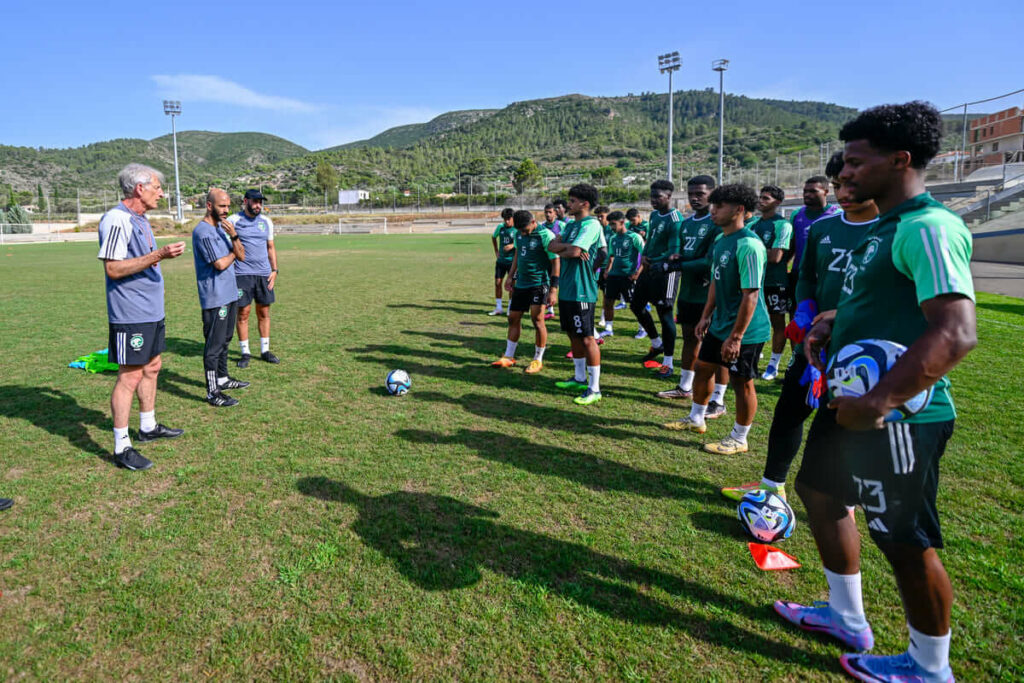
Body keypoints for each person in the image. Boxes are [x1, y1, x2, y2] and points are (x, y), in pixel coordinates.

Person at [775, 102, 976, 683]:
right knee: (817, 492)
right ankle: (845, 616)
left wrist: (879, 401)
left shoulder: (928, 227)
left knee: (904, 541)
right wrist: (835, 318)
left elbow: (956, 331)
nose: (845, 176)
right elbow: (892, 301)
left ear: (900, 160)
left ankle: (930, 667)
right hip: (852, 406)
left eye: (856, 165)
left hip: (896, 419)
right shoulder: (885, 227)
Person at [721, 152, 878, 502]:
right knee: (789, 411)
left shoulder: (897, 229)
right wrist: (806, 310)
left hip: (861, 350)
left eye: (851, 183)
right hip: (813, 342)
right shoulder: (823, 229)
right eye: (838, 185)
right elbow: (805, 276)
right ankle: (771, 485)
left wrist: (845, 316)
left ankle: (843, 501)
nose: (843, 192)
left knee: (838, 425)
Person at [663, 184, 770, 455]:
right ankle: (696, 418)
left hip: (746, 330)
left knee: (741, 382)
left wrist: (736, 336)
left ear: (739, 210)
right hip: (719, 323)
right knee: (703, 367)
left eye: (719, 206)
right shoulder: (722, 240)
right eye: (714, 205)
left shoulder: (749, 244)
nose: (713, 211)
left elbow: (751, 295)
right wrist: (706, 315)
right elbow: (715, 281)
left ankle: (739, 437)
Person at [97, 163, 186, 471]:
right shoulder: (117, 219)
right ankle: (122, 446)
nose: (161, 193)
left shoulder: (142, 220)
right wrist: (159, 255)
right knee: (130, 376)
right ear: (139, 188)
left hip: (151, 311)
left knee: (153, 366)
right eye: (157, 187)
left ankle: (148, 426)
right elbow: (113, 268)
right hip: (130, 313)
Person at [657, 175, 730, 419]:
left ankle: (718, 399)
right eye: (691, 193)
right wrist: (669, 261)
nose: (695, 198)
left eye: (700, 193)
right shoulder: (687, 223)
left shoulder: (718, 223)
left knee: (716, 346)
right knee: (689, 338)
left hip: (709, 295)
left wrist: (678, 266)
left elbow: (710, 261)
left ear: (712, 194)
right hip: (688, 292)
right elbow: (679, 254)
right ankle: (684, 386)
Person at [547, 184, 607, 405]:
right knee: (573, 334)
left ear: (585, 203)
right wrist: (567, 248)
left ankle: (595, 388)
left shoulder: (591, 225)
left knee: (588, 337)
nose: (567, 205)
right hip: (568, 288)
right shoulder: (572, 225)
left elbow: (573, 251)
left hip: (583, 289)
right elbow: (551, 245)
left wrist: (566, 248)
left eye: (572, 201)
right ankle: (580, 378)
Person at [192, 189, 249, 407]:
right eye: (221, 206)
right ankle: (212, 390)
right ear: (209, 206)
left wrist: (234, 235)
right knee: (214, 345)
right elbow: (220, 264)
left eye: (228, 206)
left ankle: (223, 378)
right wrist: (234, 250)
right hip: (215, 298)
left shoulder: (221, 229)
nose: (226, 210)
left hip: (230, 293)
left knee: (226, 340)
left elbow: (241, 256)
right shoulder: (203, 232)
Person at [491, 210, 559, 374]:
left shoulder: (546, 235)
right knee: (513, 318)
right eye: (519, 230)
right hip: (521, 283)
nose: (522, 233)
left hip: (539, 284)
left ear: (534, 222)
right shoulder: (519, 233)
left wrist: (553, 290)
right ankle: (508, 356)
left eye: (525, 229)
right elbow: (517, 256)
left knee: (537, 320)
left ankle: (537, 359)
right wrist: (511, 277)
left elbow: (556, 261)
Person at [631, 180, 683, 378]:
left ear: (669, 197)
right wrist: (644, 255)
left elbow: (675, 251)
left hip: (667, 272)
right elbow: (651, 239)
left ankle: (668, 362)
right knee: (636, 305)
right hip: (649, 267)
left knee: (665, 314)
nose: (653, 200)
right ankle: (656, 343)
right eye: (652, 196)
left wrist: (658, 261)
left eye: (658, 197)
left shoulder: (675, 218)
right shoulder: (654, 215)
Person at [748, 185, 794, 380]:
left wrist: (753, 251)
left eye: (766, 198)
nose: (761, 201)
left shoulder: (782, 225)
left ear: (777, 202)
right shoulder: (754, 224)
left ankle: (774, 364)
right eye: (761, 197)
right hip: (754, 280)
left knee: (778, 323)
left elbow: (776, 257)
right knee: (753, 320)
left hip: (776, 281)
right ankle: (753, 357)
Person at [232, 189, 279, 367]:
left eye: (260, 202)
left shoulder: (266, 222)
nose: (258, 205)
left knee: (264, 312)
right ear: (246, 201)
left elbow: (270, 247)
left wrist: (274, 270)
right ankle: (245, 353)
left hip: (263, 274)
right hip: (241, 274)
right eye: (255, 201)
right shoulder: (234, 220)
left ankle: (265, 350)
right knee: (243, 313)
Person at [789, 175, 841, 297]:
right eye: (805, 191)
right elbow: (792, 245)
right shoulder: (797, 214)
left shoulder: (837, 215)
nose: (807, 194)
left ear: (826, 192)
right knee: (798, 312)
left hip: (826, 275)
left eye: (812, 191)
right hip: (800, 273)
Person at [599, 211, 643, 338]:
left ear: (622, 222)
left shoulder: (634, 237)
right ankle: (608, 328)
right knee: (608, 302)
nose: (611, 227)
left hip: (628, 276)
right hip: (614, 275)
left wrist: (637, 273)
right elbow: (611, 256)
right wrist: (607, 270)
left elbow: (645, 256)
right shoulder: (613, 238)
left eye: (614, 224)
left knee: (636, 305)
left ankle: (642, 328)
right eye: (610, 224)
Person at [489, 208, 517, 315]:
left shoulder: (517, 229)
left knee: (512, 285)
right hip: (501, 261)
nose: (506, 221)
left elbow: (522, 241)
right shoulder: (500, 227)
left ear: (513, 218)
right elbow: (493, 237)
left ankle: (510, 307)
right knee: (497, 283)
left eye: (509, 219)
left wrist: (513, 245)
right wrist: (496, 250)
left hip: (512, 262)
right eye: (505, 219)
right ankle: (499, 307)